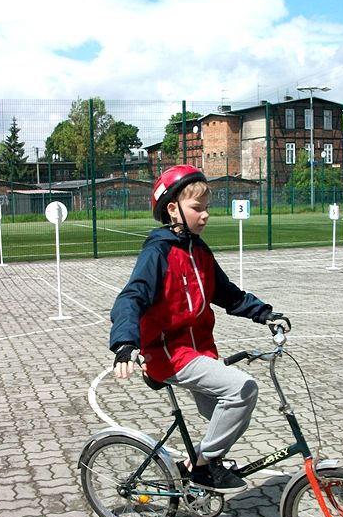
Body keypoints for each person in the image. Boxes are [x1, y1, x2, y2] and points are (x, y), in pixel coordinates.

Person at [109, 164, 290, 493]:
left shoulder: (198, 250)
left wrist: (264, 314)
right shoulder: (158, 252)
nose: (205, 215)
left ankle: (192, 466)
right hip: (170, 353)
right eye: (198, 208)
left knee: (228, 414)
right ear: (173, 209)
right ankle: (204, 468)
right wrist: (124, 343)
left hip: (200, 351)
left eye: (207, 208)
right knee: (242, 390)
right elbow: (130, 297)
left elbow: (227, 294)